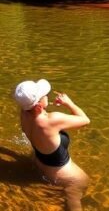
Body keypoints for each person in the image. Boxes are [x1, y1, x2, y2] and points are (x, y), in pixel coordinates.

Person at [13, 79, 90, 211]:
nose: (47, 96)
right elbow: (85, 120)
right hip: (69, 179)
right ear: (38, 106)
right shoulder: (51, 120)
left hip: (41, 168)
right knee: (75, 200)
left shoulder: (24, 114)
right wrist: (69, 103)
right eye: (45, 95)